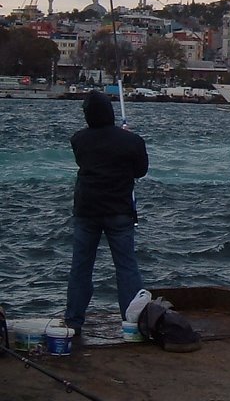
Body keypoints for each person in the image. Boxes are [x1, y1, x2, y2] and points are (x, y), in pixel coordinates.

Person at [64, 91, 149, 337]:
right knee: (126, 267)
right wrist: (126, 137)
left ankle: (73, 321)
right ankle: (132, 321)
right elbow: (140, 171)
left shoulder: (78, 139)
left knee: (81, 266)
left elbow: (89, 157)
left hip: (86, 210)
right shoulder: (132, 141)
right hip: (119, 211)